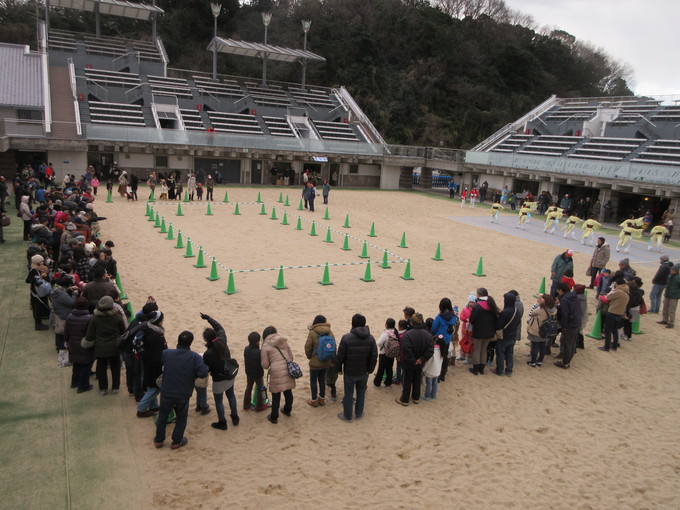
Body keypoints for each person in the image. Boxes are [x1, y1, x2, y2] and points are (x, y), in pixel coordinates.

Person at [153, 331, 209, 449]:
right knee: (181, 417)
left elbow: (157, 362)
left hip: (167, 390)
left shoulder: (167, 353)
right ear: (190, 343)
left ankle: (159, 440)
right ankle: (176, 441)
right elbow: (203, 372)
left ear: (178, 341)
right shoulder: (194, 357)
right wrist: (193, 374)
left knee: (163, 415)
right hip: (183, 392)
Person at [200, 313, 239, 430]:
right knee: (231, 395)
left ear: (206, 339)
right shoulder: (222, 339)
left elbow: (206, 369)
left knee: (218, 400)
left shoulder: (208, 353)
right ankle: (235, 417)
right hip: (229, 375)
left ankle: (222, 422)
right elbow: (219, 327)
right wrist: (208, 318)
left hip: (218, 379)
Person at [335, 314, 378, 420]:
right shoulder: (371, 338)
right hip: (364, 372)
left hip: (350, 372)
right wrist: (370, 369)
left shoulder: (346, 338)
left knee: (349, 393)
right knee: (361, 393)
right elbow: (374, 356)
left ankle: (347, 415)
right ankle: (359, 414)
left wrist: (339, 369)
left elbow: (340, 356)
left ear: (352, 323)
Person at [84, 296, 126, 395]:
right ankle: (115, 387)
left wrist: (88, 343)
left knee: (101, 368)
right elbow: (123, 332)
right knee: (115, 368)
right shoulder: (117, 317)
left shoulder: (94, 318)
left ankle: (103, 388)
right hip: (115, 346)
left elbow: (90, 334)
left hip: (100, 346)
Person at [394, 312, 433, 406]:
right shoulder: (427, 335)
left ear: (412, 322)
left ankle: (405, 399)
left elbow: (406, 349)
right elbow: (430, 350)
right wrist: (421, 359)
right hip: (420, 362)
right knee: (417, 379)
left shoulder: (408, 335)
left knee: (407, 381)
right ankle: (416, 398)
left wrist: (413, 360)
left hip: (409, 362)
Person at [261, 327, 295, 424]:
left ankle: (274, 416)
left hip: (276, 372)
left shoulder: (265, 347)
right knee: (288, 392)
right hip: (288, 369)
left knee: (276, 396)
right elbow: (291, 357)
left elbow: (265, 365)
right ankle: (287, 410)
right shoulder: (283, 341)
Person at [136, 310, 167, 417]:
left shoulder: (148, 329)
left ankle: (153, 406)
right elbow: (156, 356)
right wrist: (161, 368)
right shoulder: (155, 336)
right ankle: (141, 409)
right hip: (153, 366)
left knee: (151, 386)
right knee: (155, 388)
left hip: (147, 362)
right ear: (158, 321)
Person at [304, 314, 335, 407]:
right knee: (322, 379)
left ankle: (314, 400)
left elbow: (308, 347)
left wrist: (310, 357)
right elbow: (334, 346)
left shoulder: (312, 332)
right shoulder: (330, 332)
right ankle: (322, 399)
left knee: (313, 380)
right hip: (326, 361)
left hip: (315, 362)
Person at [65, 297, 93, 393]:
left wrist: (67, 342)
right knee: (85, 366)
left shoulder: (69, 317)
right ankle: (83, 386)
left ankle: (74, 382)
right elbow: (90, 334)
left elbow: (66, 332)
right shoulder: (89, 318)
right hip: (84, 346)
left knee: (76, 365)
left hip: (73, 344)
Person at [468, 289, 499, 375]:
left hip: (478, 331)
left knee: (477, 350)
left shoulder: (477, 306)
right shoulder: (492, 304)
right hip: (489, 332)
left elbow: (472, 320)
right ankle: (481, 368)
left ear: (479, 295)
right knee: (484, 350)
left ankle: (476, 368)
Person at [492, 292, 523, 377]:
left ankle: (499, 370)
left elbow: (499, 325)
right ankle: (509, 370)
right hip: (513, 335)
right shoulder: (517, 311)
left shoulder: (505, 312)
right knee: (510, 354)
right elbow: (518, 323)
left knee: (500, 353)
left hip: (504, 336)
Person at [553, 282, 583, 369]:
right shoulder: (574, 297)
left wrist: (564, 325)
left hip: (570, 324)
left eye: (558, 290)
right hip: (577, 322)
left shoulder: (565, 300)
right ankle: (567, 359)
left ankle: (565, 362)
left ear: (561, 290)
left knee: (567, 344)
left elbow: (565, 313)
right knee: (572, 343)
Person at [597, 274, 629, 351]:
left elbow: (607, 298)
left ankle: (606, 346)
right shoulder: (626, 292)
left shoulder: (619, 292)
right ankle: (614, 345)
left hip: (613, 312)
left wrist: (602, 296)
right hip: (620, 313)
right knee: (614, 329)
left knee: (608, 330)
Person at [430, 298, 457, 382]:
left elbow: (434, 328)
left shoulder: (439, 317)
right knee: (444, 356)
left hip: (439, 339)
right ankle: (443, 374)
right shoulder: (453, 316)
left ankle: (437, 375)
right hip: (447, 339)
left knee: (438, 356)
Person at [526, 294, 557, 367]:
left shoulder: (540, 309)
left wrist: (537, 305)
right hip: (547, 330)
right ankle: (540, 361)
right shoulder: (554, 309)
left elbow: (532, 313)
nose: (539, 300)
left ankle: (533, 362)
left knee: (535, 346)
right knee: (543, 346)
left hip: (538, 330)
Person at [243, 332, 267, 412]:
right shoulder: (259, 352)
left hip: (249, 373)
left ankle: (246, 405)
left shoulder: (246, 349)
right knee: (261, 389)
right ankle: (259, 407)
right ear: (257, 342)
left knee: (248, 388)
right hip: (258, 374)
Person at [373, 318, 399, 388]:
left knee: (381, 369)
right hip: (392, 354)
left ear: (386, 325)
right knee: (389, 368)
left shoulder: (386, 334)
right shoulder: (395, 332)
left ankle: (377, 383)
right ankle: (388, 383)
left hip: (384, 353)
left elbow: (378, 343)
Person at [422, 335, 443, 400]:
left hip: (430, 371)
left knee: (429, 384)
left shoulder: (432, 351)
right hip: (437, 370)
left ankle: (427, 396)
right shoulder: (442, 351)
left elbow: (428, 363)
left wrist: (423, 369)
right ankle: (433, 395)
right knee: (435, 383)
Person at [658, 264, 680, 329]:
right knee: (665, 308)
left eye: (672, 270)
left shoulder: (678, 277)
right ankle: (665, 320)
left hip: (674, 296)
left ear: (676, 271)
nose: (670, 270)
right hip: (667, 294)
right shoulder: (669, 276)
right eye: (671, 269)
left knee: (671, 309)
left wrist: (677, 293)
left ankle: (671, 322)